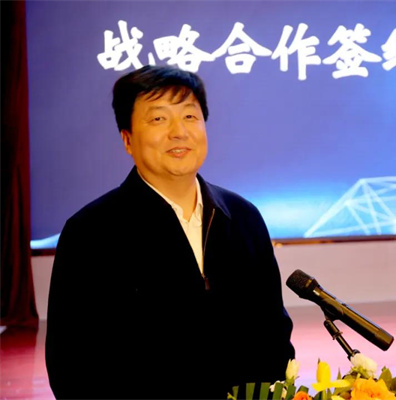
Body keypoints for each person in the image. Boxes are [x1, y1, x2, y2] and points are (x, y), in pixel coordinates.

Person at [45, 65, 295, 399]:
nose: (179, 132)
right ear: (128, 139)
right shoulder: (91, 232)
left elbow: (274, 334)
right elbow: (71, 365)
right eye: (158, 119)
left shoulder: (243, 217)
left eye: (190, 116)